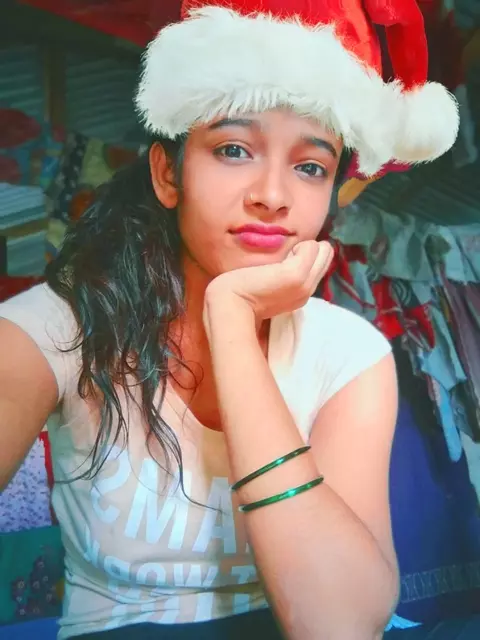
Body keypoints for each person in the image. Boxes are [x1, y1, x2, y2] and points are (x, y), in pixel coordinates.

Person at [0, 0, 460, 639]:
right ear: (168, 174)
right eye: (234, 149)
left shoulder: (349, 352)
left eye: (310, 167)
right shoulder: (53, 328)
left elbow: (341, 624)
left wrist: (233, 320)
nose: (272, 195)